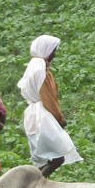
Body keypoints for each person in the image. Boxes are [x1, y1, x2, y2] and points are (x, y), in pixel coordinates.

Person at [17, 35, 81, 177]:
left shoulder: (36, 67)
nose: (54, 54)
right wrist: (59, 118)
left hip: (35, 115)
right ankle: (36, 181)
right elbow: (47, 98)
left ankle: (36, 180)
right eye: (53, 50)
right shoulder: (41, 71)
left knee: (48, 157)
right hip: (42, 116)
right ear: (45, 50)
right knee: (57, 157)